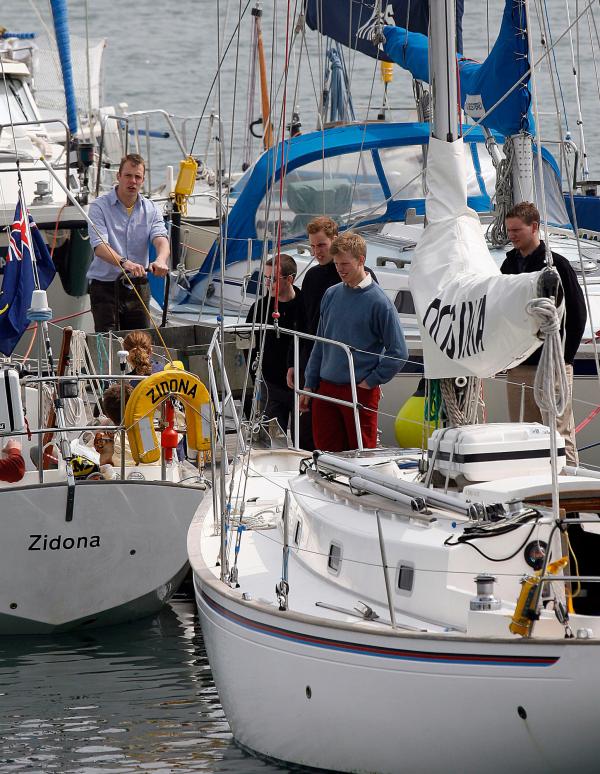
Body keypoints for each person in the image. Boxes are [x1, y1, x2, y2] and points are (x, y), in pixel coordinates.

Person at [300, 232, 407, 452]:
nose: (340, 269)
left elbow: (398, 351)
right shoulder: (331, 294)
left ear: (361, 260)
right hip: (325, 388)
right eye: (337, 264)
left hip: (359, 390)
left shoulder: (380, 302)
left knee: (360, 454)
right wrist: (309, 385)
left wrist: (370, 382)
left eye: (345, 264)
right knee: (326, 455)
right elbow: (320, 343)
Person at [501, 201, 586, 465]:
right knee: (523, 433)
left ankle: (570, 491)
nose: (512, 235)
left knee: (559, 432)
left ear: (534, 227)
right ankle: (535, 491)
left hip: (552, 364)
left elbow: (577, 314)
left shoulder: (557, 265)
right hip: (519, 365)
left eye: (517, 230)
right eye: (509, 230)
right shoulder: (508, 265)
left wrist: (565, 358)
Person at [286, 216, 377, 449]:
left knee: (351, 439)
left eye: (322, 245)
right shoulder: (313, 278)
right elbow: (303, 324)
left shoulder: (359, 276)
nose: (317, 251)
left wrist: (373, 377)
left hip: (348, 369)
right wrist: (293, 363)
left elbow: (374, 327)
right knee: (305, 432)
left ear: (334, 240)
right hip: (314, 360)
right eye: (313, 246)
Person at [87, 153, 170, 333]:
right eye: (128, 175)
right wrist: (126, 263)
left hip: (138, 286)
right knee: (109, 344)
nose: (133, 181)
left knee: (140, 345)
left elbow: (160, 238)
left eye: (137, 177)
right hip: (105, 287)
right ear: (118, 176)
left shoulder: (151, 209)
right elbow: (100, 247)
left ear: (143, 180)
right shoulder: (98, 207)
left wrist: (161, 260)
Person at [246, 254, 303, 438]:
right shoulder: (259, 308)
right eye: (266, 278)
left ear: (290, 279)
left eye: (273, 279)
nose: (268, 283)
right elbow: (248, 345)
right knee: (270, 440)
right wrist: (255, 379)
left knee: (302, 439)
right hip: (271, 387)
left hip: (301, 386)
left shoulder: (304, 305)